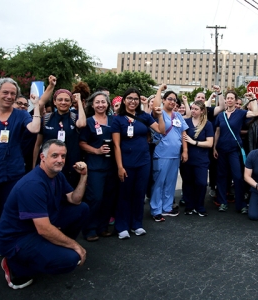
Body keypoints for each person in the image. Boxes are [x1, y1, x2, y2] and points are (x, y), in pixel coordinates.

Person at [0, 139, 89, 289]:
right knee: (72, 258)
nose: (60, 160)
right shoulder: (33, 184)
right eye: (55, 155)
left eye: (63, 156)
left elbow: (75, 200)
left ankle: (52, 248)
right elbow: (43, 228)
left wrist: (84, 176)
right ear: (42, 157)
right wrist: (76, 246)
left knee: (82, 209)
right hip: (17, 238)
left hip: (37, 227)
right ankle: (15, 264)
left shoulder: (57, 175)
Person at [0, 78, 41, 272]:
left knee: (6, 216)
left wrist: (38, 106)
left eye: (13, 94)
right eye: (5, 92)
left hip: (12, 174)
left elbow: (34, 128)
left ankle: (3, 248)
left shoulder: (21, 114)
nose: (9, 96)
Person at [111, 87, 165, 239]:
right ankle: (122, 226)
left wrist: (160, 116)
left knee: (139, 193)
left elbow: (161, 130)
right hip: (126, 162)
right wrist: (120, 167)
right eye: (129, 98)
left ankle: (137, 224)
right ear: (124, 100)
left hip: (143, 161)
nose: (132, 101)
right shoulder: (118, 119)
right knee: (124, 194)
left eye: (135, 98)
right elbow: (116, 145)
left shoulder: (144, 116)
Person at [79, 92, 117, 241]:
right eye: (97, 102)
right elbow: (82, 143)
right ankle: (89, 229)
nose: (101, 105)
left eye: (103, 102)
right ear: (92, 105)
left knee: (108, 199)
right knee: (95, 198)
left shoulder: (113, 120)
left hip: (112, 166)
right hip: (95, 166)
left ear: (108, 104)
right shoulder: (88, 122)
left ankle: (102, 227)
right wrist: (97, 151)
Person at [213, 91, 258, 213]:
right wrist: (214, 147)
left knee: (238, 176)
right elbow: (217, 132)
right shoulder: (220, 116)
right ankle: (223, 202)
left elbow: (255, 113)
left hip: (234, 150)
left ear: (235, 100)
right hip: (221, 149)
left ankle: (241, 204)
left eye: (232, 98)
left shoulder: (240, 113)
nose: (229, 100)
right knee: (221, 177)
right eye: (227, 98)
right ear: (226, 100)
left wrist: (253, 99)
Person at [150, 84, 188, 222]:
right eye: (169, 99)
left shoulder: (178, 115)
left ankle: (166, 208)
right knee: (159, 182)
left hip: (175, 155)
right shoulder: (158, 113)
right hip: (162, 154)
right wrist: (160, 89)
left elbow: (183, 133)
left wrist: (185, 150)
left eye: (174, 100)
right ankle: (156, 209)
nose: (172, 101)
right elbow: (155, 105)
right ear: (164, 100)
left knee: (170, 183)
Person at [33, 89, 86, 187]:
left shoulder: (74, 118)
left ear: (71, 103)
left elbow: (82, 123)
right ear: (54, 102)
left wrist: (79, 101)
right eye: (60, 99)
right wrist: (34, 166)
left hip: (70, 165)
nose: (63, 102)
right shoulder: (46, 119)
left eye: (67, 100)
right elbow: (37, 144)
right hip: (48, 165)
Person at [181, 100, 214, 216]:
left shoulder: (207, 124)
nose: (193, 111)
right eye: (192, 108)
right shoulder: (186, 122)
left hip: (201, 158)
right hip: (187, 158)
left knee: (201, 183)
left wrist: (194, 142)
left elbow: (210, 143)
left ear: (202, 111)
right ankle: (189, 206)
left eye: (196, 109)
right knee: (188, 182)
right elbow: (183, 137)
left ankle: (199, 206)